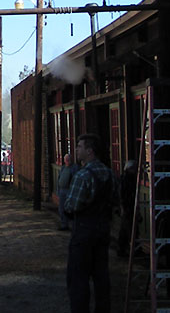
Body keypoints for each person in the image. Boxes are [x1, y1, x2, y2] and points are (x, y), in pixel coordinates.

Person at [64, 133, 113, 313]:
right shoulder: (109, 174)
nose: (77, 150)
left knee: (78, 277)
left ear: (89, 151)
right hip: (103, 230)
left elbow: (71, 205)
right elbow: (114, 201)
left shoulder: (83, 176)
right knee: (101, 276)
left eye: (79, 147)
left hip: (83, 230)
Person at [117, 160, 138, 258]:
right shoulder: (125, 179)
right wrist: (122, 206)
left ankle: (124, 248)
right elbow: (122, 194)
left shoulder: (129, 179)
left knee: (126, 228)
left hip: (129, 205)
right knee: (129, 228)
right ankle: (133, 248)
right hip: (127, 205)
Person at [56, 153, 77, 231]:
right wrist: (58, 190)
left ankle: (73, 225)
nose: (67, 161)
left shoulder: (74, 168)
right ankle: (64, 224)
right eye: (66, 159)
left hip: (69, 190)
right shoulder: (63, 168)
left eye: (68, 159)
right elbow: (59, 178)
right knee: (61, 208)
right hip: (62, 190)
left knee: (70, 208)